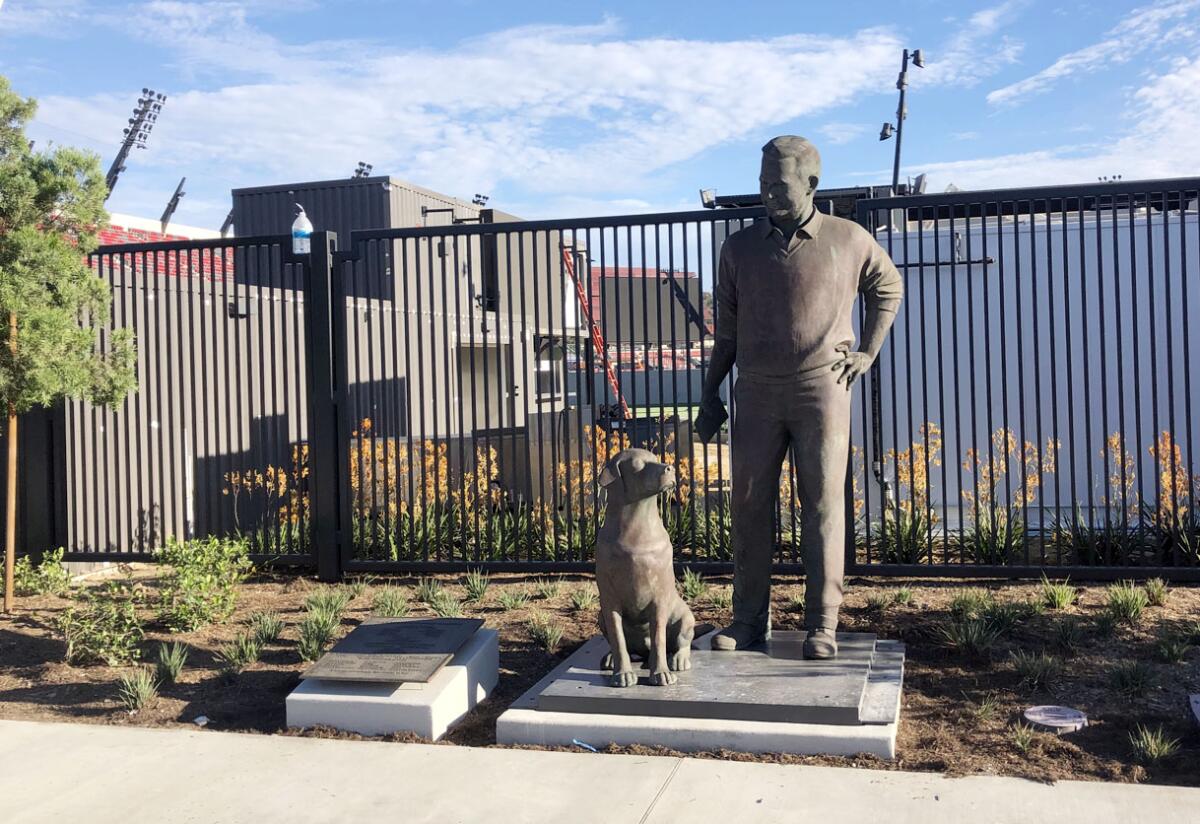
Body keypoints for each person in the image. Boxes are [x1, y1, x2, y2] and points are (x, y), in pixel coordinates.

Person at [696, 135, 902, 659]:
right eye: (763, 184)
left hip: (821, 389)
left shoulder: (849, 238)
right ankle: (747, 620)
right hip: (757, 393)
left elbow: (889, 287)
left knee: (823, 506)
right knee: (747, 505)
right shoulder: (738, 247)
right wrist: (710, 392)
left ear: (811, 184)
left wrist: (868, 353)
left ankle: (822, 623)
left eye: (780, 184)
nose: (769, 193)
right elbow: (727, 330)